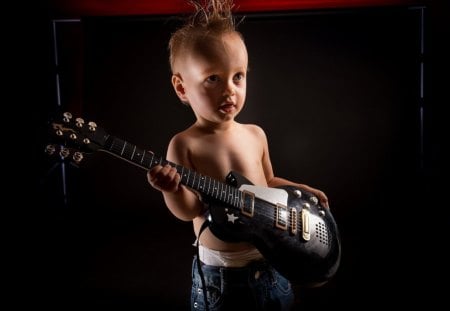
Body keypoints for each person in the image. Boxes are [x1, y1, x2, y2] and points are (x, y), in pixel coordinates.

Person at [147, 0, 329, 309]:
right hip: (222, 278)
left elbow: (267, 183)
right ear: (181, 88)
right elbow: (190, 209)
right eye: (213, 79)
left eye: (238, 76)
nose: (229, 90)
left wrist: (301, 189)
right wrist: (171, 189)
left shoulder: (254, 134)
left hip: (272, 265)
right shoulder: (184, 144)